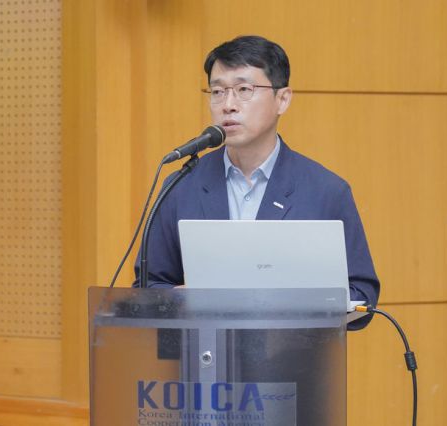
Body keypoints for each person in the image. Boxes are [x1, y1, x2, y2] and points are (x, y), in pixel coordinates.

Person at [134, 35, 379, 329]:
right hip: (205, 354)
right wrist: (182, 301)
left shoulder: (326, 191)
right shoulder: (181, 185)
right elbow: (149, 285)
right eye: (217, 91)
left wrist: (287, 303)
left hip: (294, 355)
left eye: (244, 90)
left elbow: (362, 296)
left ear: (282, 99)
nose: (228, 105)